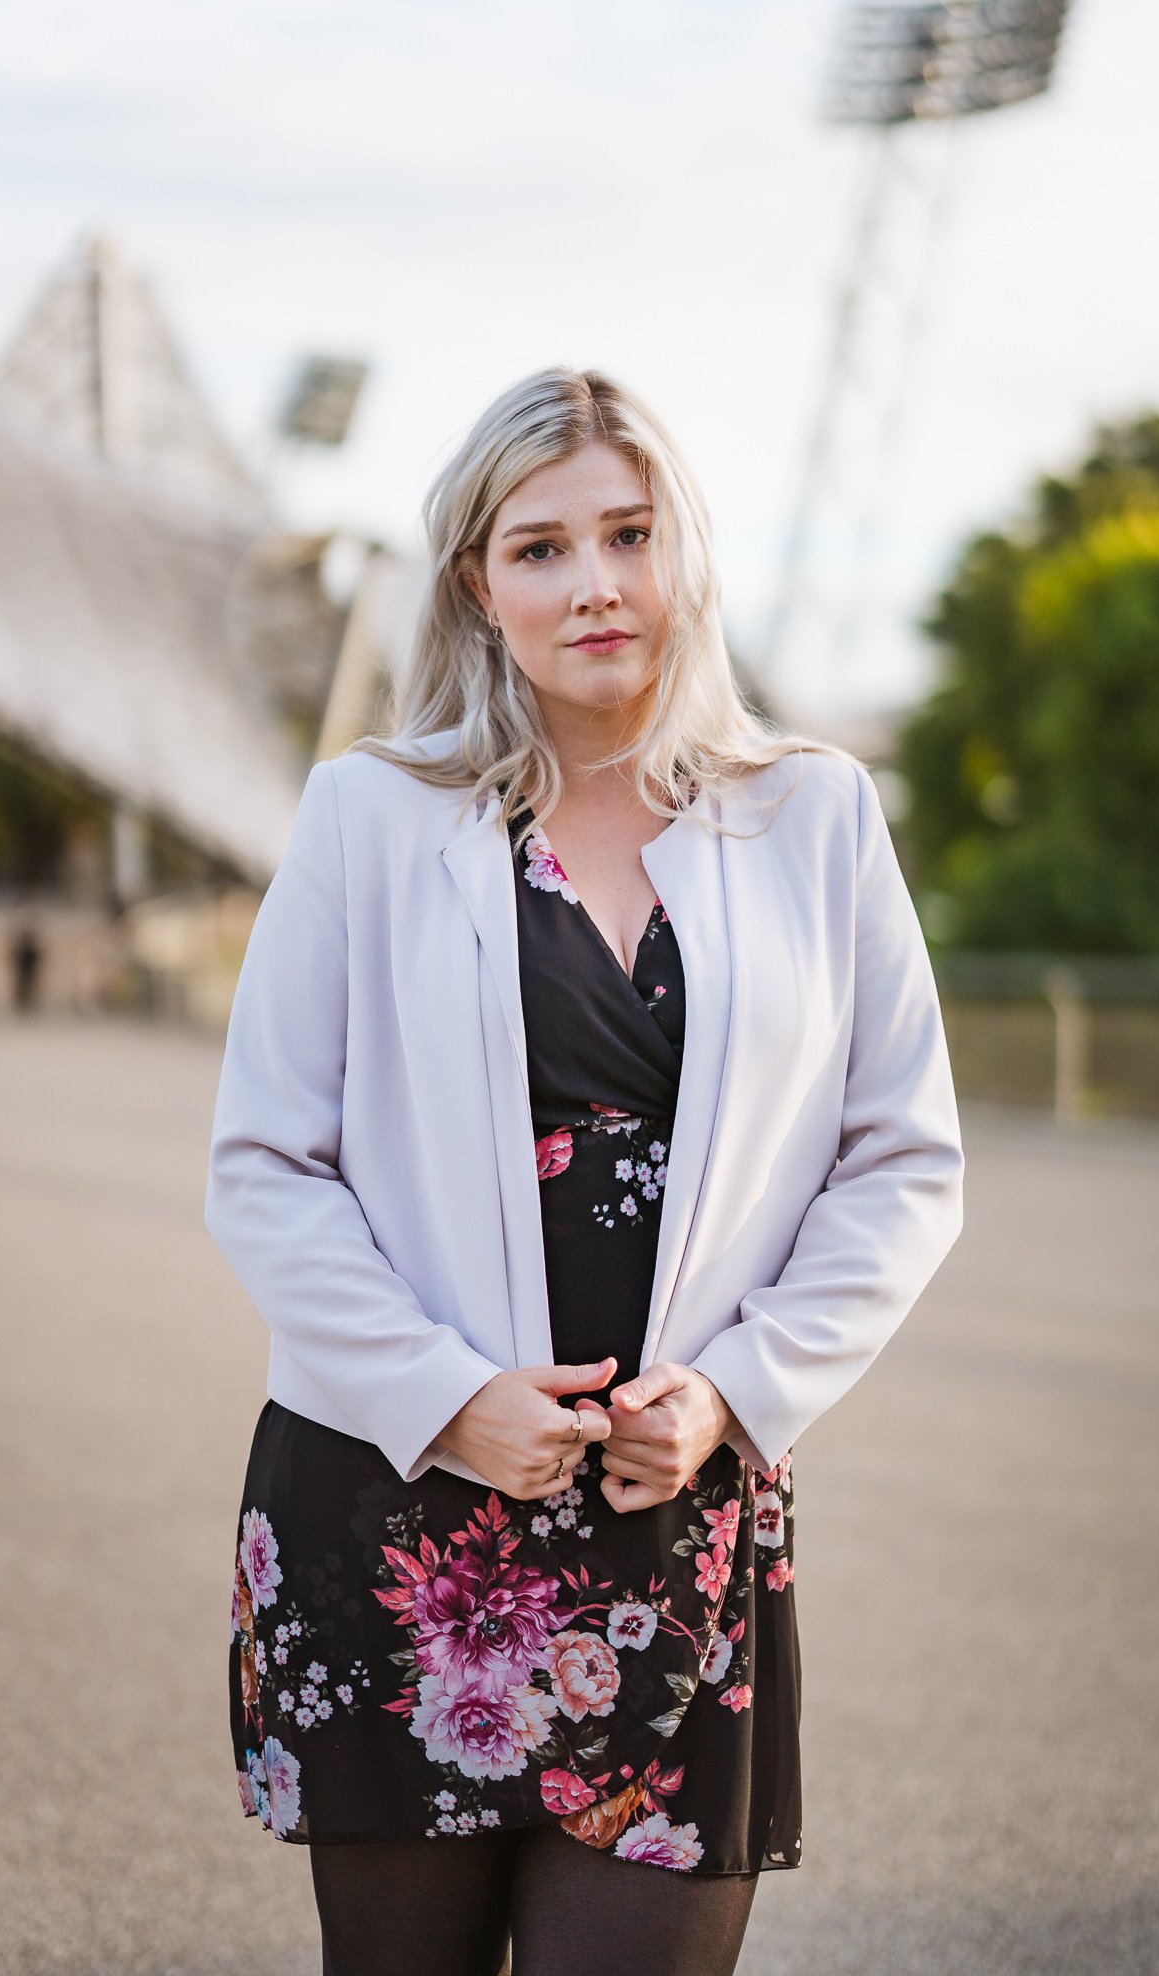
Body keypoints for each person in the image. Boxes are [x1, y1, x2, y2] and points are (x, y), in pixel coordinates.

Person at [204, 366, 964, 1976]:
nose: (595, 583)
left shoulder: (813, 815)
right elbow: (266, 1163)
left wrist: (739, 1391)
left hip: (676, 1510)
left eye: (628, 533)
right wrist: (441, 1399)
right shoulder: (369, 816)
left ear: (684, 552)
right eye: (539, 547)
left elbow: (901, 1157)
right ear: (478, 585)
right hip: (401, 1508)